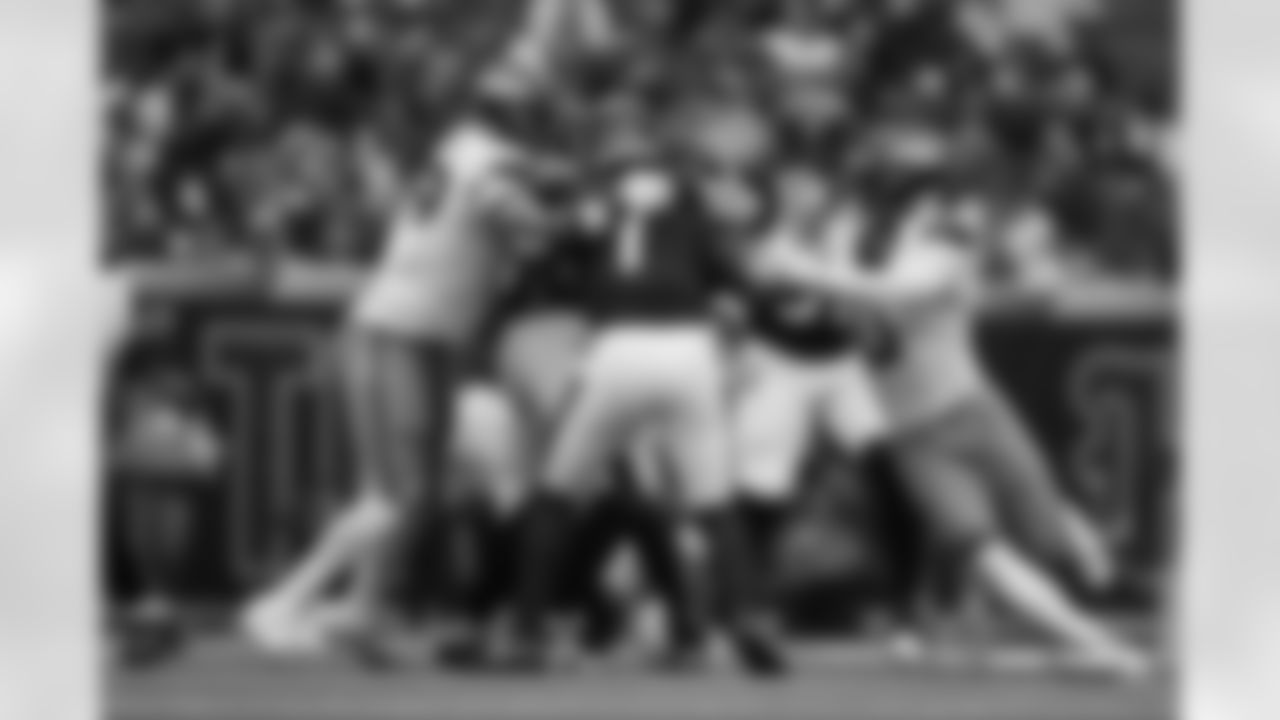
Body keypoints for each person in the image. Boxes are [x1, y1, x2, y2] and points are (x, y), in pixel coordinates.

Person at [239, 68, 573, 667]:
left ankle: (361, 613)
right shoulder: (489, 161)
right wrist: (570, 212)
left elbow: (511, 207)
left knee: (419, 494)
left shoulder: (461, 148)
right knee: (396, 493)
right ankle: (280, 604)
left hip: (428, 331)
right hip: (398, 327)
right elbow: (515, 211)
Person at [756, 176, 1151, 679]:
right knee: (974, 548)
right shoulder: (850, 246)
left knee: (1052, 545)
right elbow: (816, 327)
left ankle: (1095, 570)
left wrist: (800, 269)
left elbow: (898, 291)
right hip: (916, 438)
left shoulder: (938, 248)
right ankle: (1100, 646)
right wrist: (776, 279)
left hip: (976, 413)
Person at [509, 132, 787, 676]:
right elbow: (743, 280)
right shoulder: (694, 207)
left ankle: (527, 629)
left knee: (554, 496)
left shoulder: (597, 207)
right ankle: (749, 616)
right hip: (689, 348)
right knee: (715, 505)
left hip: (614, 349)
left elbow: (549, 261)